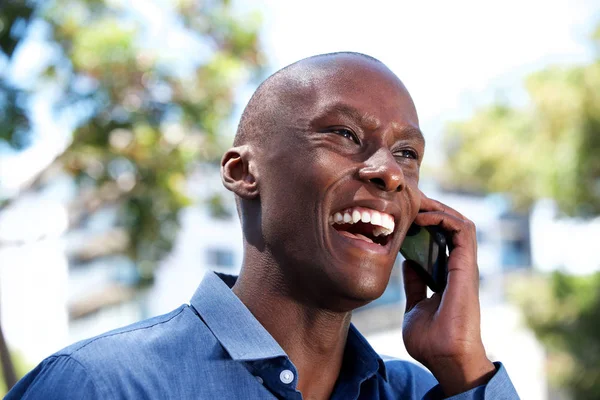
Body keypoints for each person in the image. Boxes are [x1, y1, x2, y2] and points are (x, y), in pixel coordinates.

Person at [7, 52, 519, 399]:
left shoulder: (422, 392)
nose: (388, 171)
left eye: (406, 154)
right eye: (343, 133)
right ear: (243, 172)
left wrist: (463, 366)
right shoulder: (99, 385)